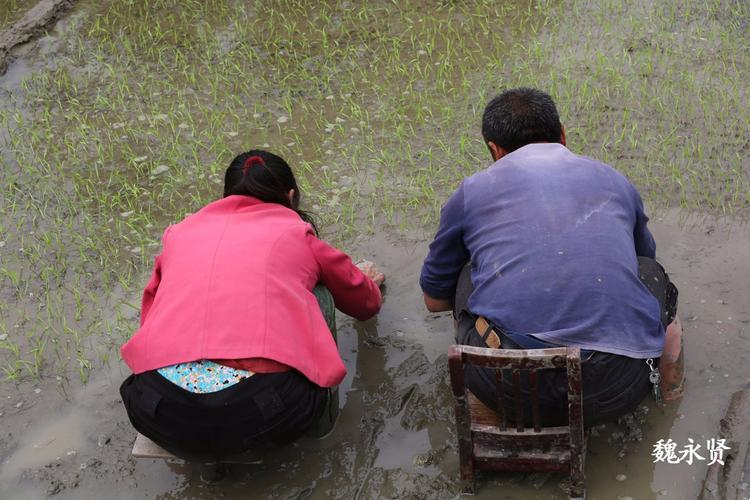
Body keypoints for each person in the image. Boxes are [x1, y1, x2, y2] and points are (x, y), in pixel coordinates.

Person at [420, 88, 684, 426]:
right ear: (562, 135)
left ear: (494, 150)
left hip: (512, 390)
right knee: (650, 271)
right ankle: (672, 395)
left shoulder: (471, 192)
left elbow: (434, 301)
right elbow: (640, 261)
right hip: (617, 388)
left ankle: (484, 397)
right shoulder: (614, 180)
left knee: (467, 272)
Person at [120, 150, 385, 459]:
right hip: (262, 411)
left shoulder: (179, 234)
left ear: (224, 195)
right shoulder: (297, 233)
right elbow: (364, 304)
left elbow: (150, 313)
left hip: (157, 409)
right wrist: (369, 283)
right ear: (290, 195)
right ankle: (322, 428)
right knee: (321, 295)